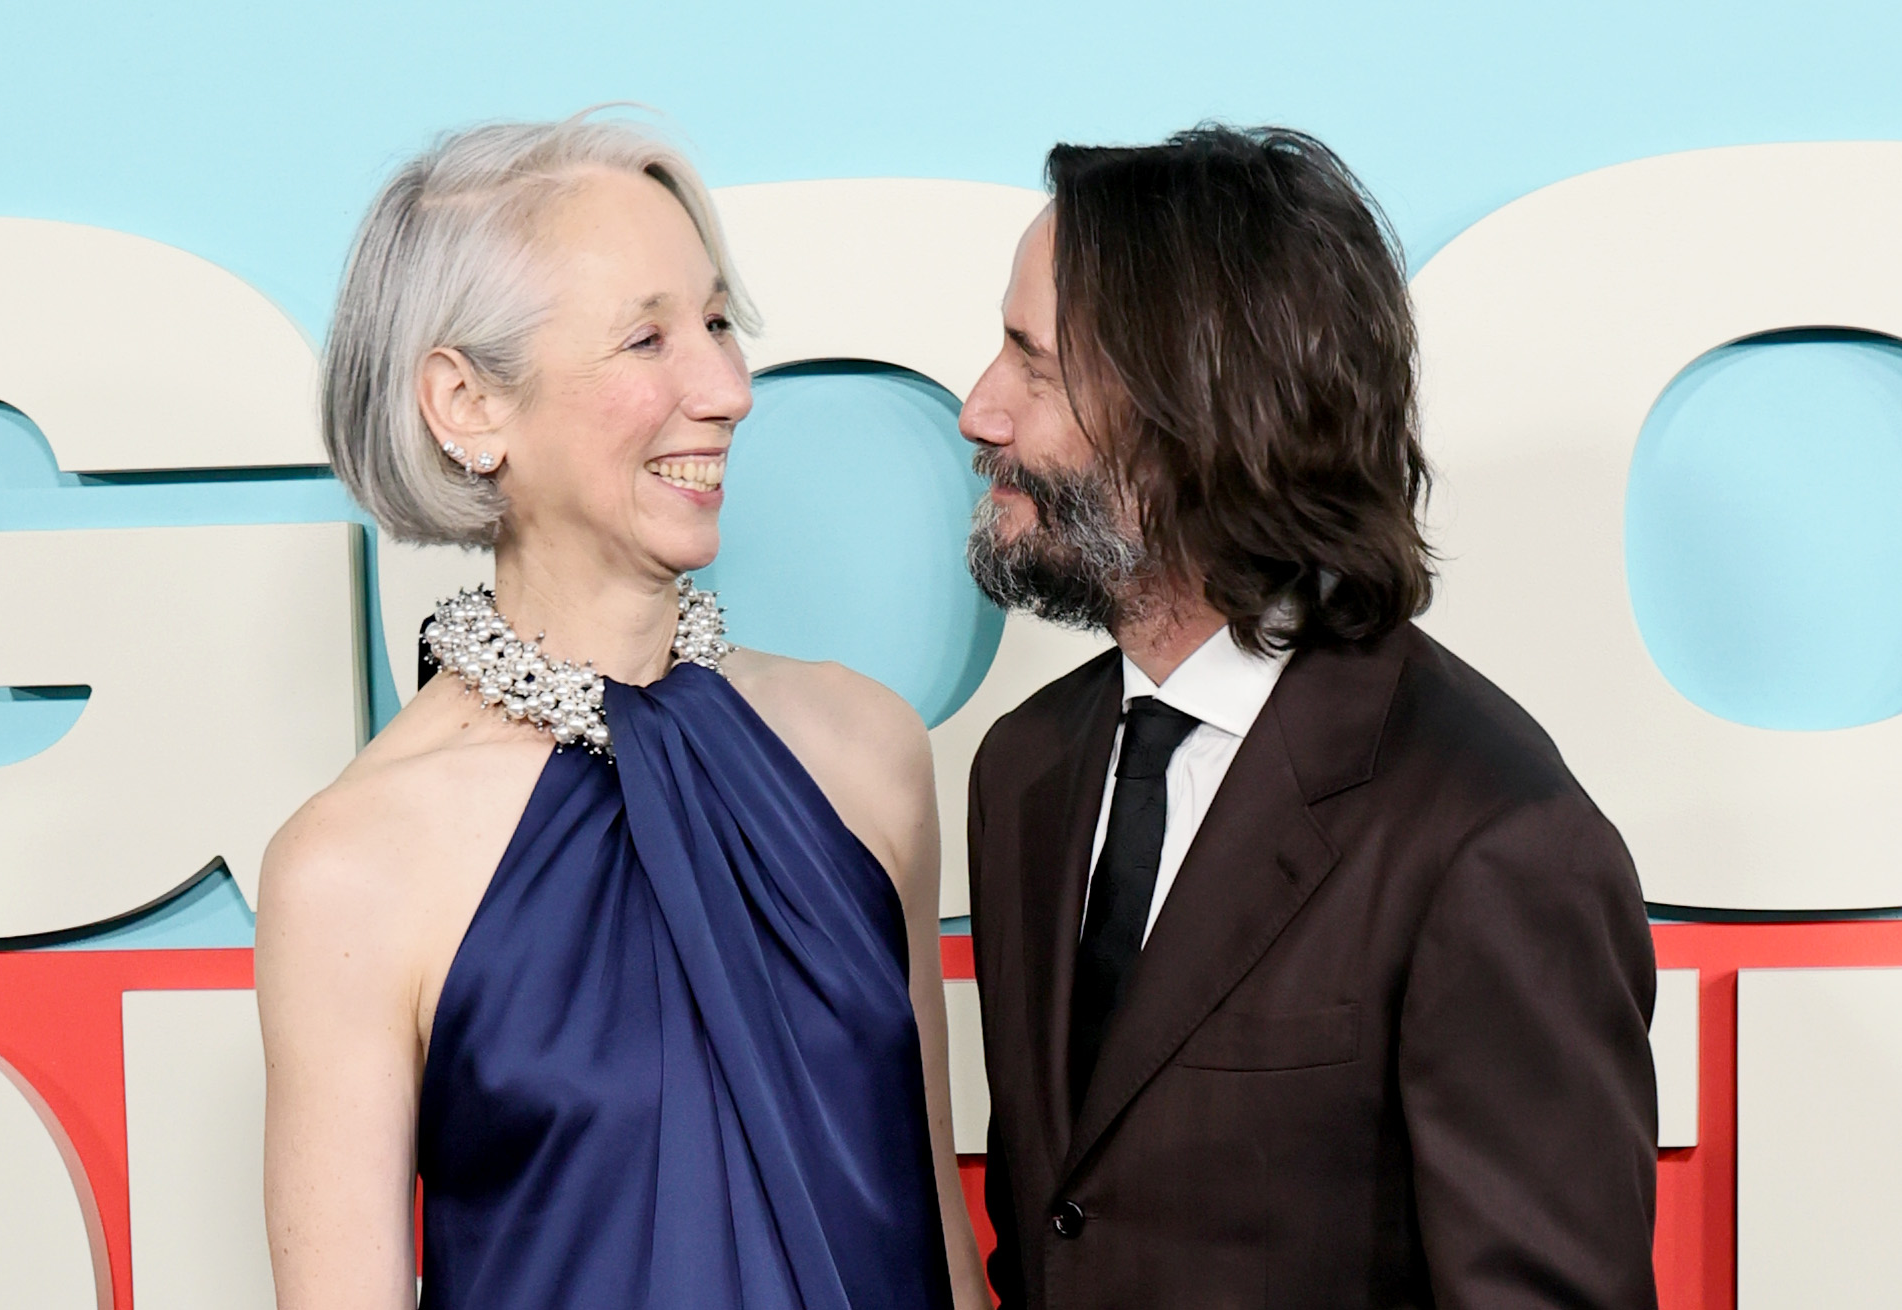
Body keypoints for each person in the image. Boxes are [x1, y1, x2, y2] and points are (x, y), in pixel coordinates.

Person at [254, 114, 986, 1310]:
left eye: (714, 323)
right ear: (466, 403)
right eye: (647, 336)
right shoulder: (352, 867)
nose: (727, 387)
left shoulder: (865, 755)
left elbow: (937, 1244)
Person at [959, 125, 1659, 1309]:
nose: (979, 410)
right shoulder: (1025, 769)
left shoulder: (1493, 840)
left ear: (1194, 411)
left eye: (1034, 363)